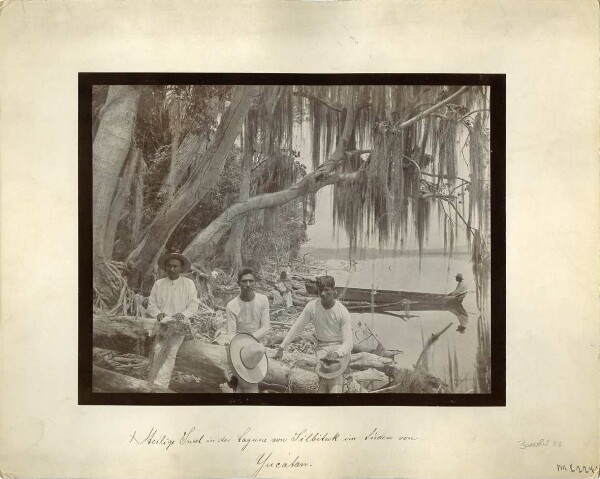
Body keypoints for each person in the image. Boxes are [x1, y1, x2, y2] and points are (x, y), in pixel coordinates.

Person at [274, 275, 353, 393]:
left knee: (333, 376)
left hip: (340, 348)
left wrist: (337, 353)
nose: (323, 293)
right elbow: (297, 327)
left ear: (334, 290)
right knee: (327, 372)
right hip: (322, 347)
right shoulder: (312, 307)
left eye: (327, 290)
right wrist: (282, 347)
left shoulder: (342, 311)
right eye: (320, 290)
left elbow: (348, 343)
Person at [146, 252, 199, 388]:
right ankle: (151, 382)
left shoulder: (188, 284)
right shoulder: (159, 284)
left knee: (169, 352)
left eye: (175, 266)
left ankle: (160, 386)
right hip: (162, 324)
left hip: (179, 325)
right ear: (165, 268)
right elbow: (151, 305)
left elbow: (193, 306)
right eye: (169, 266)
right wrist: (158, 313)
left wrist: (183, 314)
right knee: (157, 350)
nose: (172, 269)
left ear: (181, 268)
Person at [225, 267, 270, 392]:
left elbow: (265, 327)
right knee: (243, 375)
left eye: (251, 281)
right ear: (239, 283)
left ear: (255, 282)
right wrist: (239, 344)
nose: (248, 285)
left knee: (248, 373)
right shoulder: (232, 305)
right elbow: (231, 333)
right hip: (238, 343)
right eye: (244, 281)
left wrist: (250, 340)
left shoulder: (263, 300)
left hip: (258, 342)